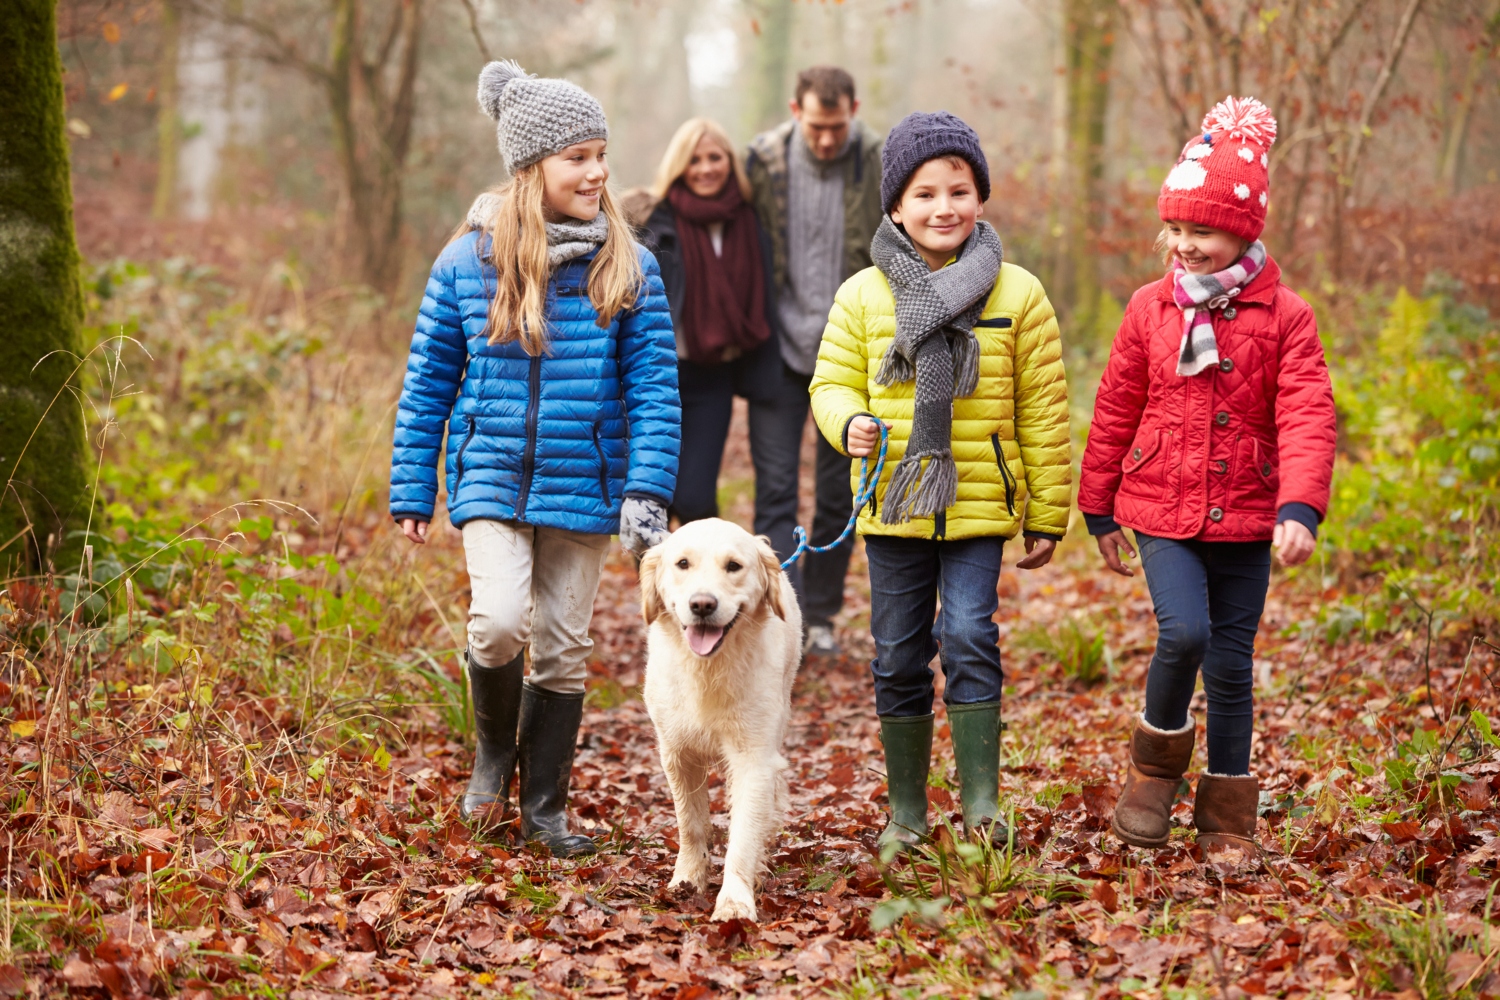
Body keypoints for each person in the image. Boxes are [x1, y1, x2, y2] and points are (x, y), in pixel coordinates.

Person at [389, 60, 679, 858]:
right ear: (531, 168)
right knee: (499, 622)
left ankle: (544, 807)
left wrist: (647, 492)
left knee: (561, 641)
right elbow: (426, 387)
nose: (597, 171)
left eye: (600, 153)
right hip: (489, 477)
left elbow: (656, 391)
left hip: (586, 484)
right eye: (577, 157)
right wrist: (414, 483)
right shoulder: (466, 264)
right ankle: (492, 757)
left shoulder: (629, 267)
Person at [1078, 97, 1335, 857]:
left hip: (1250, 511)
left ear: (1244, 230)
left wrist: (1300, 505)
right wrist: (1098, 506)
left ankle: (1226, 813)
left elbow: (1308, 411)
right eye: (1179, 230)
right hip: (1161, 506)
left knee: (1230, 664)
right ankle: (1153, 774)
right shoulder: (1149, 309)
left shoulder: (1287, 316)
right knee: (1184, 631)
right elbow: (1117, 401)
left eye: (1205, 231)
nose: (1187, 246)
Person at [810, 112, 1072, 848]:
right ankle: (906, 811)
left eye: (959, 190)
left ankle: (982, 805)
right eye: (924, 194)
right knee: (897, 652)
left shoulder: (1017, 294)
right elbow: (829, 385)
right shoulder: (863, 295)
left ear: (980, 198)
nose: (943, 207)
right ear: (897, 206)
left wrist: (1049, 512)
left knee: (966, 635)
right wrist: (848, 422)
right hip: (894, 502)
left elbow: (1044, 409)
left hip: (979, 505)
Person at [746, 65, 884, 656]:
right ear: (795, 110)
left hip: (849, 354)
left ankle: (820, 614)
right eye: (816, 126)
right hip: (777, 348)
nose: (826, 139)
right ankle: (780, 612)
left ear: (853, 109)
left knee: (837, 493)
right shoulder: (763, 161)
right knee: (776, 489)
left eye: (837, 125)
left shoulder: (877, 159)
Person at [636, 119, 782, 531]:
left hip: (711, 377)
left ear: (729, 162)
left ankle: (708, 581)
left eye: (715, 157)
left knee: (696, 497)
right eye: (694, 160)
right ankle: (657, 592)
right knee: (653, 498)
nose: (705, 168)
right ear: (679, 165)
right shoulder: (655, 220)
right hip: (656, 376)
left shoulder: (749, 220)